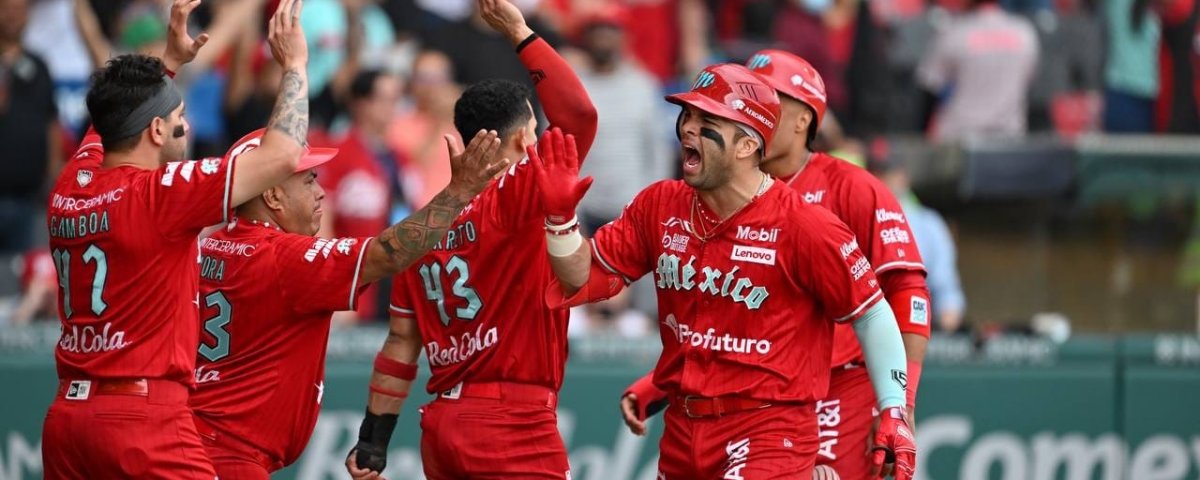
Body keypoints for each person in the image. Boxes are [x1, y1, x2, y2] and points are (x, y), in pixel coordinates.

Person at [534, 63, 915, 479]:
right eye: (687, 116)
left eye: (707, 120)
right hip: (683, 428)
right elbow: (580, 275)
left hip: (769, 428)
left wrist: (895, 410)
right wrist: (559, 219)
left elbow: (872, 313)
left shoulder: (806, 225)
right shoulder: (660, 204)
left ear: (747, 145)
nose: (686, 130)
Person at [40, 0, 312, 477]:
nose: (186, 125)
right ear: (157, 129)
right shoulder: (160, 195)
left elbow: (111, 124)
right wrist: (295, 67)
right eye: (179, 114)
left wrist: (168, 62)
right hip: (140, 418)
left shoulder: (73, 181)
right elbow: (283, 156)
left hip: (68, 419)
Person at [344, 0, 597, 479]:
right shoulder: (519, 194)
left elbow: (400, 343)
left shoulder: (422, 228)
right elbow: (580, 116)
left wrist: (372, 441)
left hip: (443, 427)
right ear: (524, 140)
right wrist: (521, 32)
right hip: (513, 422)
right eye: (536, 130)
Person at [189, 126, 509, 479]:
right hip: (230, 458)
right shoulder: (282, 257)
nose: (322, 192)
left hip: (193, 443)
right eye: (309, 180)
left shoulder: (205, 246)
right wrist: (459, 192)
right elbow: (388, 253)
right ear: (273, 196)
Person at [916, 0, 1039, 142]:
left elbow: (929, 89)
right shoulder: (1024, 32)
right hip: (1009, 138)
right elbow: (1029, 85)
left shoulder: (955, 32)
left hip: (958, 138)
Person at [0, 0, 60, 254]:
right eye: (6, 10)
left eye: (19, 10)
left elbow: (51, 122)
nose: (13, 16)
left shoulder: (39, 66)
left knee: (25, 279)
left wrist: (55, 174)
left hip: (28, 198)